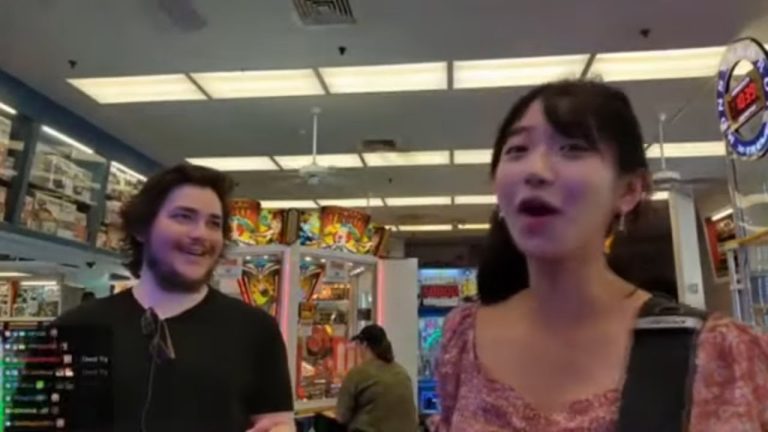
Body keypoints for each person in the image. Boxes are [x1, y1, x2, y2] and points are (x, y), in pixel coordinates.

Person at [435, 80, 768, 430]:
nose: (535, 170)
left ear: (628, 190)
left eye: (572, 148)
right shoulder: (462, 340)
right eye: (517, 149)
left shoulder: (721, 355)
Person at [55, 164, 295, 432]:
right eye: (183, 217)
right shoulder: (74, 328)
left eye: (213, 223)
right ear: (141, 228)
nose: (200, 233)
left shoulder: (255, 329)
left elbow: (276, 421)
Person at [335, 324, 418, 432]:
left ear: (364, 345)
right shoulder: (402, 372)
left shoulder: (358, 373)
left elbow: (341, 417)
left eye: (358, 345)